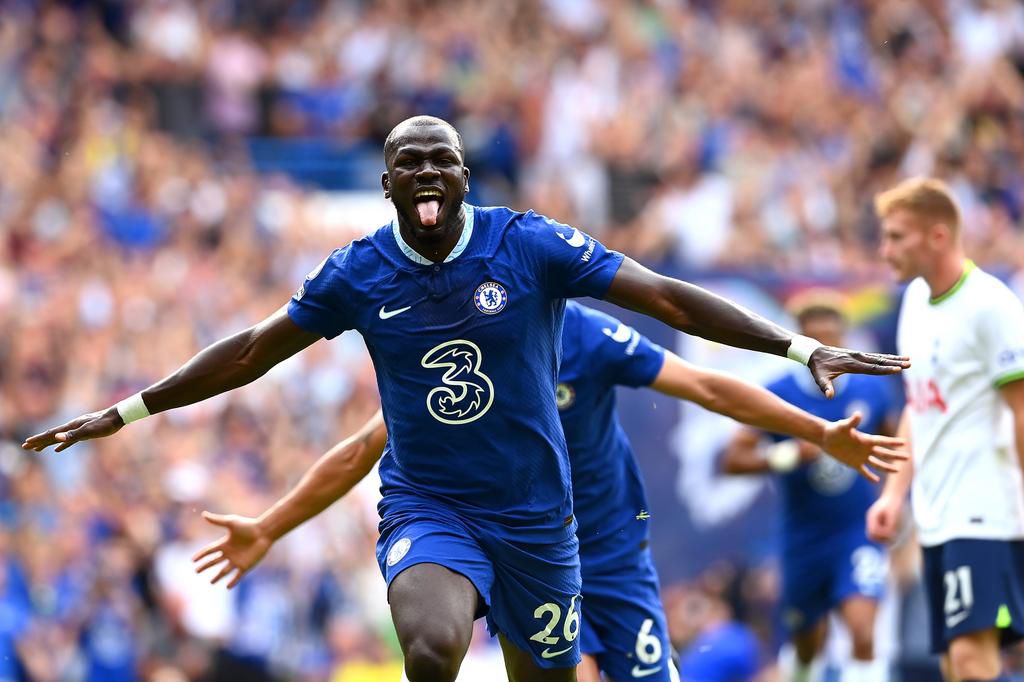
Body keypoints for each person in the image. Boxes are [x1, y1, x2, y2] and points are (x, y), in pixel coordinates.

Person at [23, 116, 908, 682]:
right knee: (434, 645)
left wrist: (798, 351)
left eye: (445, 159)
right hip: (432, 504)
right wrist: (130, 411)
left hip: (544, 521)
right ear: (387, 186)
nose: (431, 173)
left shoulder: (535, 257)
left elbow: (674, 305)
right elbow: (261, 358)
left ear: (465, 176)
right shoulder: (359, 274)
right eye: (411, 163)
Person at [192, 300, 908, 682]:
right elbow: (360, 449)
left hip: (613, 555)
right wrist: (270, 524)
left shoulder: (588, 338)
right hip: (529, 562)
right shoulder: (461, 355)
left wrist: (815, 434)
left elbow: (707, 385)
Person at [866, 177, 1024, 682]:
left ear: (937, 236)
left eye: (896, 237)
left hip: (984, 513)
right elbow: (919, 405)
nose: (884, 249)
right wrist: (894, 494)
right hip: (936, 513)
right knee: (954, 667)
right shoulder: (914, 301)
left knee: (972, 663)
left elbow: (1022, 412)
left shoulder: (990, 305)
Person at [722, 295, 899, 682]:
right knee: (807, 644)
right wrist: (787, 455)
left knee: (863, 631)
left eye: (832, 337)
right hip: (803, 537)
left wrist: (893, 499)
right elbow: (732, 460)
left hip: (856, 530)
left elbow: (897, 445)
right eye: (815, 340)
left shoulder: (871, 390)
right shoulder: (777, 392)